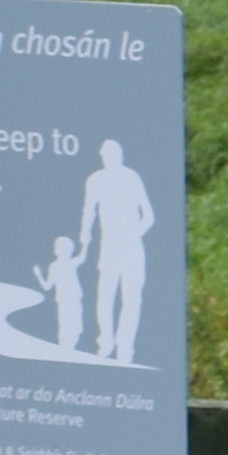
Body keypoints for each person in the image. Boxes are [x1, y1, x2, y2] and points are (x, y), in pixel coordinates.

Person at [77, 135, 155, 366]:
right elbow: (88, 212)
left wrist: (133, 234)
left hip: (128, 246)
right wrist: (85, 236)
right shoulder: (96, 180)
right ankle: (106, 343)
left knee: (129, 297)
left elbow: (148, 216)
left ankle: (125, 347)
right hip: (111, 246)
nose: (106, 158)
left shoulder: (130, 177)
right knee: (107, 295)